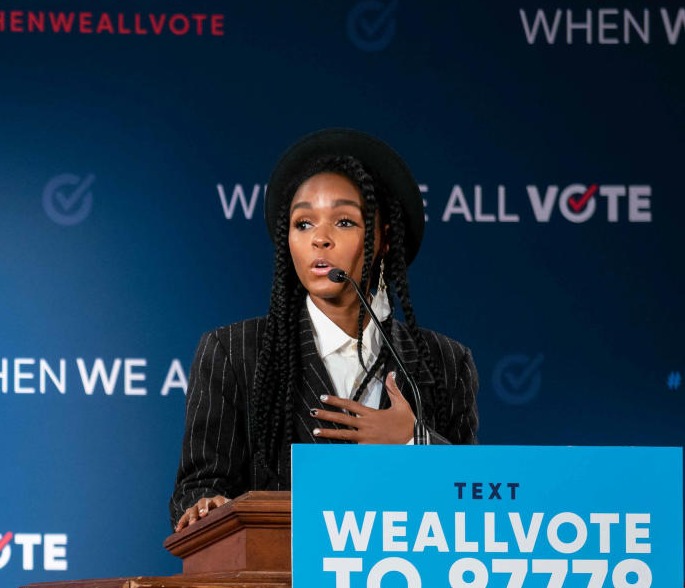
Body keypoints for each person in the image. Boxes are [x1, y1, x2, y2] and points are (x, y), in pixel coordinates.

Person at [169, 129, 479, 531]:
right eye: (303, 223)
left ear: (383, 239)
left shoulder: (446, 363)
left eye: (344, 221)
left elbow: (476, 500)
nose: (320, 238)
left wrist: (413, 441)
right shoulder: (232, 353)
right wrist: (205, 507)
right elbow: (197, 488)